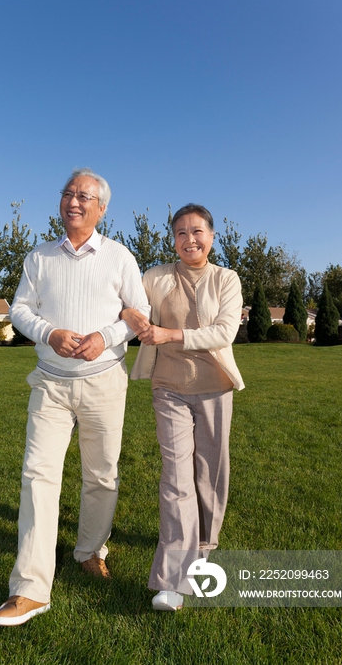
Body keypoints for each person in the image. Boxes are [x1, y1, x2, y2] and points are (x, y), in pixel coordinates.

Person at [0, 168, 149, 626]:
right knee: (38, 476)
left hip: (104, 381)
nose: (73, 201)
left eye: (84, 196)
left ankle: (88, 550)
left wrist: (104, 336)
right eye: (67, 194)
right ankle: (31, 590)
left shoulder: (121, 257)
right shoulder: (38, 257)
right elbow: (19, 309)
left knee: (101, 475)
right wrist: (49, 332)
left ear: (102, 208)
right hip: (50, 383)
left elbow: (140, 314)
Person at [121, 203, 244, 611]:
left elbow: (224, 330)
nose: (189, 240)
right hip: (168, 387)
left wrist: (167, 333)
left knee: (210, 474)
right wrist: (132, 316)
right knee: (176, 476)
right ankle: (173, 580)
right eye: (180, 233)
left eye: (197, 232)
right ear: (172, 240)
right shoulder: (156, 277)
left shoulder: (226, 279)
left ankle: (204, 546)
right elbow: (128, 302)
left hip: (214, 388)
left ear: (211, 236)